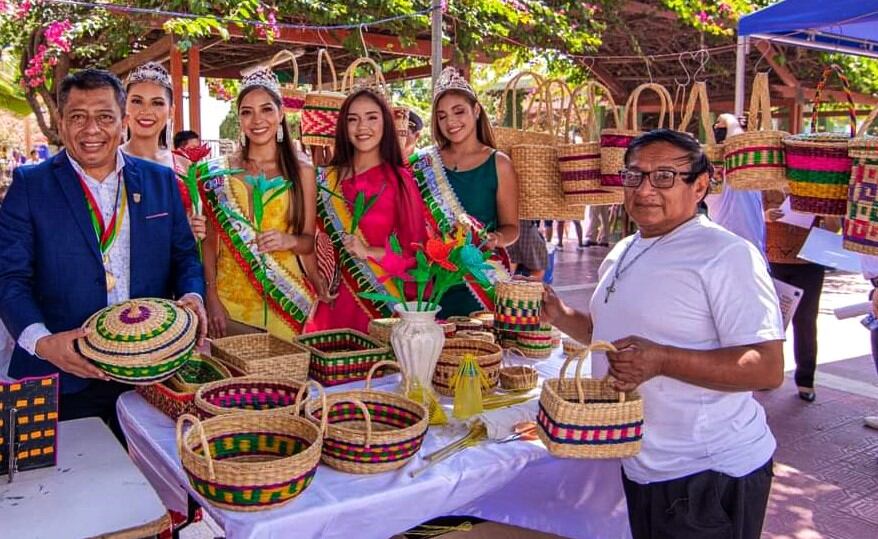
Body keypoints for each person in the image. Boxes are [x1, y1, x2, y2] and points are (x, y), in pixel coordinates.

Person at [543, 129, 783, 539]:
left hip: (708, 472)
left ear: (701, 185)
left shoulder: (726, 254)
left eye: (665, 177)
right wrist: (559, 313)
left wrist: (664, 360)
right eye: (634, 176)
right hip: (646, 463)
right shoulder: (626, 248)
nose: (646, 189)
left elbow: (767, 367)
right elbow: (612, 336)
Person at [0, 68, 206, 438]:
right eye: (78, 117)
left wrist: (192, 294)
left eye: (105, 117)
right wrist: (44, 343)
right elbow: (9, 278)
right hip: (63, 376)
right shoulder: (31, 186)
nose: (91, 129)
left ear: (123, 121)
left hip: (150, 375)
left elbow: (185, 256)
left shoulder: (159, 181)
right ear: (61, 123)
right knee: (67, 490)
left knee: (152, 484)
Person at [202, 65, 317, 340]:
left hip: (284, 303)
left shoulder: (302, 171)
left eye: (266, 109)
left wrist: (287, 240)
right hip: (229, 306)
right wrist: (212, 297)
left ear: (280, 114)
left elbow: (308, 241)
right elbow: (208, 243)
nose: (257, 120)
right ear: (239, 119)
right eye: (247, 112)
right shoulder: (216, 172)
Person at [306, 89, 427, 332]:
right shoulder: (326, 178)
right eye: (353, 119)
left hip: (377, 306)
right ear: (343, 126)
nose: (363, 126)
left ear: (386, 123)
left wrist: (369, 251)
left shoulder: (399, 181)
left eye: (372, 117)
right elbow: (309, 238)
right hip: (328, 303)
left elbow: (416, 255)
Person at [422, 66, 519, 317]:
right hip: (431, 283)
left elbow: (512, 228)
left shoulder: (499, 163)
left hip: (478, 282)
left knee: (473, 356)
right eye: (442, 116)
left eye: (459, 111)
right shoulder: (426, 163)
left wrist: (494, 239)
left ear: (476, 111)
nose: (451, 122)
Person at [764, 189, 837, 402]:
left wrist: (829, 212)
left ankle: (805, 380)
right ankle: (768, 374)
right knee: (770, 323)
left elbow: (833, 229)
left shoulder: (813, 188)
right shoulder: (763, 186)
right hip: (772, 260)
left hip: (809, 262)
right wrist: (766, 216)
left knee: (805, 321)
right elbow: (748, 220)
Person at [120, 62, 206, 240]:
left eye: (157, 103)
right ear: (123, 107)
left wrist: (196, 229)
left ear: (171, 111)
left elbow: (197, 224)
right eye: (137, 101)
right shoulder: (108, 163)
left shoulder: (185, 166)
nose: (146, 111)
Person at [703, 114, 766, 252]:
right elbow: (736, 143)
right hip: (732, 257)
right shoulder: (717, 175)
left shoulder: (750, 174)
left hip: (753, 254)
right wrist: (729, 119)